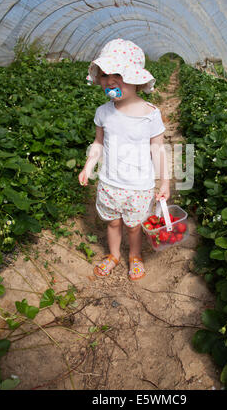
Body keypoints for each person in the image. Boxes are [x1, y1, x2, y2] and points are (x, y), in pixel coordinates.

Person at [78, 38, 170, 280]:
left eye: (118, 74)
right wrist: (88, 167)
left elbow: (158, 150)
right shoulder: (103, 112)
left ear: (137, 79)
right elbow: (98, 143)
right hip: (110, 182)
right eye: (105, 74)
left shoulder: (150, 115)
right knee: (113, 223)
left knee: (133, 225)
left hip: (139, 186)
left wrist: (165, 183)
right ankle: (115, 255)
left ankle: (135, 256)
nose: (110, 80)